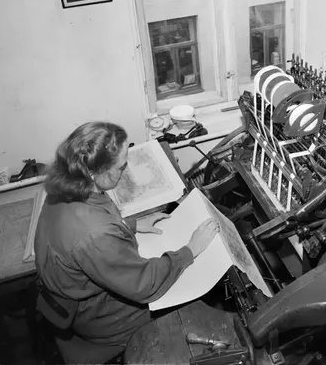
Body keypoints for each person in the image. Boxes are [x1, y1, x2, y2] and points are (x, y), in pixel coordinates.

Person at [34, 122, 220, 364]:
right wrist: (190, 250)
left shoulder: (66, 187)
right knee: (190, 305)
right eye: (121, 167)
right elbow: (144, 284)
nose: (126, 169)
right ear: (94, 172)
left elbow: (85, 226)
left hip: (70, 299)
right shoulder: (96, 234)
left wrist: (130, 225)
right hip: (103, 319)